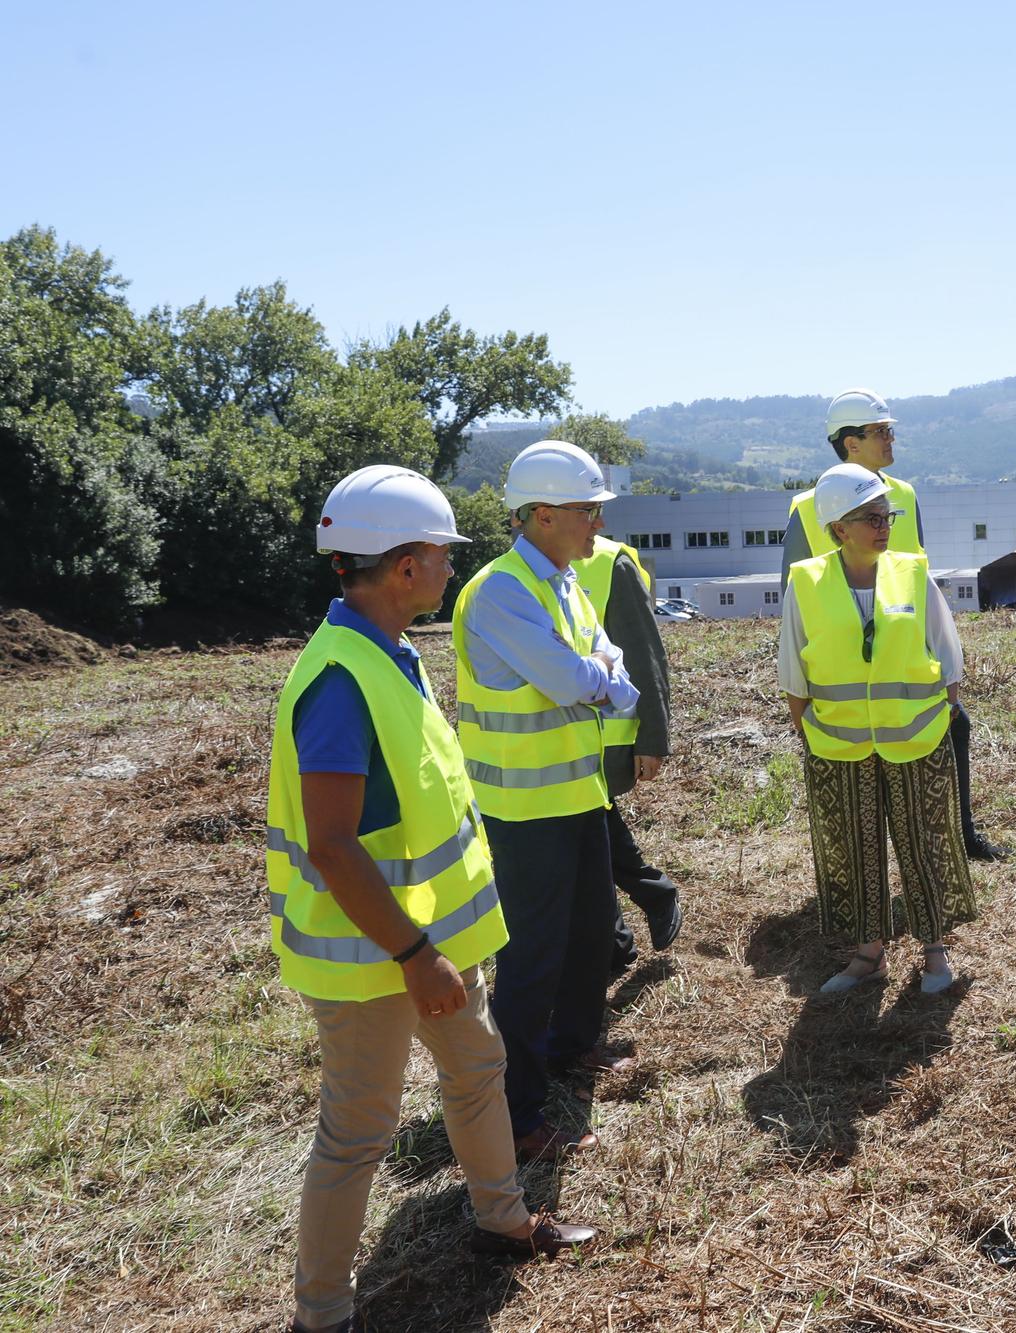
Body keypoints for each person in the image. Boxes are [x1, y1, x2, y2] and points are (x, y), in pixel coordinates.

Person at [272, 466, 594, 1333]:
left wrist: (437, 951)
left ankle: (504, 1220)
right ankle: (322, 1315)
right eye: (442, 554)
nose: (452, 568)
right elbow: (332, 844)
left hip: (434, 948)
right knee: (357, 1136)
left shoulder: (392, 651)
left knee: (477, 1071)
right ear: (405, 566)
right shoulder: (341, 680)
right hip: (377, 958)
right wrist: (415, 957)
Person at [453, 440, 639, 1161]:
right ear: (540, 515)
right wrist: (596, 673)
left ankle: (572, 1046)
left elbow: (607, 659)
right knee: (530, 961)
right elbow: (575, 679)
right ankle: (517, 1112)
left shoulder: (565, 580)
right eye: (588, 511)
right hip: (524, 809)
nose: (597, 523)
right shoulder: (499, 589)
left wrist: (597, 672)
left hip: (576, 792)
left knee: (591, 930)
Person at [779, 387, 1008, 862]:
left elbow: (918, 572)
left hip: (903, 655)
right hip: (845, 666)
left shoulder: (903, 494)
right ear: (849, 442)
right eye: (880, 431)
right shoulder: (807, 506)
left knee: (953, 727)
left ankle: (961, 833)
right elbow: (795, 596)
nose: (891, 440)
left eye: (890, 431)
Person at [779, 463, 981, 995]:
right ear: (837, 528)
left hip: (915, 738)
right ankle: (868, 955)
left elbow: (947, 652)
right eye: (869, 517)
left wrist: (946, 717)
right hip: (838, 746)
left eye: (885, 514)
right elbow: (793, 670)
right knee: (851, 849)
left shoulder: (913, 572)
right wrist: (810, 737)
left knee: (926, 844)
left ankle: (935, 953)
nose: (883, 524)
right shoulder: (806, 582)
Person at [573, 533, 683, 969]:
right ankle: (625, 932)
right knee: (587, 835)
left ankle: (641, 909)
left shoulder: (608, 564)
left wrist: (652, 738)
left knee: (586, 831)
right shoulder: (516, 571)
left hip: (600, 741)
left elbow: (645, 654)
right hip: (556, 743)